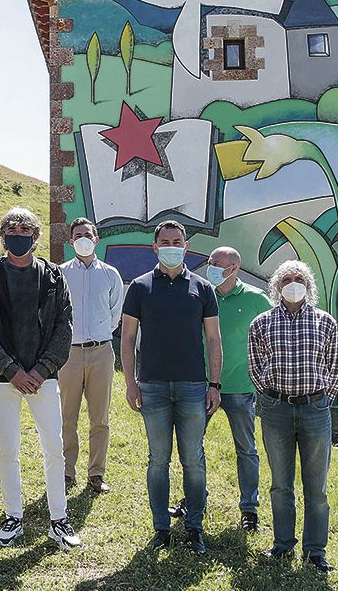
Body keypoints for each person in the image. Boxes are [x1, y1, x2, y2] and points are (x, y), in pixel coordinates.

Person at [0, 207, 80, 550]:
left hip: (43, 377)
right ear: (3, 236)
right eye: (10, 229)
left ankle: (59, 520)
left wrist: (39, 370)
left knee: (54, 447)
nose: (17, 235)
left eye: (24, 230)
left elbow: (64, 327)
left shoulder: (52, 275)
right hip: (3, 376)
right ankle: (13, 517)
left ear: (36, 237)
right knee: (8, 449)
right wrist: (12, 371)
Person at [121, 220, 221, 555]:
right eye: (165, 241)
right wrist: (130, 382)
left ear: (186, 246)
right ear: (155, 247)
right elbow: (128, 338)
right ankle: (161, 529)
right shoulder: (139, 287)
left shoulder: (203, 288)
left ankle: (194, 528)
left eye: (177, 241)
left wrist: (214, 384)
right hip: (152, 387)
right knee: (158, 459)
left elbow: (213, 339)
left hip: (194, 386)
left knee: (193, 459)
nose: (171, 245)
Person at [248, 260, 338, 573]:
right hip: (276, 411)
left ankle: (315, 551)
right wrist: (270, 396)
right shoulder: (261, 323)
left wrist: (322, 400)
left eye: (298, 278)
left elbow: (336, 366)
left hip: (315, 410)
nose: (293, 283)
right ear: (277, 286)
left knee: (316, 487)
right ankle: (282, 545)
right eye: (287, 279)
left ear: (308, 285)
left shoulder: (325, 322)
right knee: (280, 484)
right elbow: (255, 366)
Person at [169, 247, 272, 531]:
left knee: (246, 449)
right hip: (201, 385)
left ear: (234, 268)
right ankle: (193, 499)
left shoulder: (256, 300)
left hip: (240, 387)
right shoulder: (200, 294)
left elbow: (272, 338)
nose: (211, 267)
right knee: (191, 446)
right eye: (210, 262)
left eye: (218, 264)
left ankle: (249, 509)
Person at [58, 217, 123, 494]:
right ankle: (66, 472)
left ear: (96, 239)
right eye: (77, 235)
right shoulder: (59, 273)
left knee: (100, 418)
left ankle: (96, 473)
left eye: (88, 234)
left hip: (101, 352)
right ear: (71, 241)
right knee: (66, 417)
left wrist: (96, 335)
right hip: (68, 355)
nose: (83, 238)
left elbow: (114, 314)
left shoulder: (110, 274)